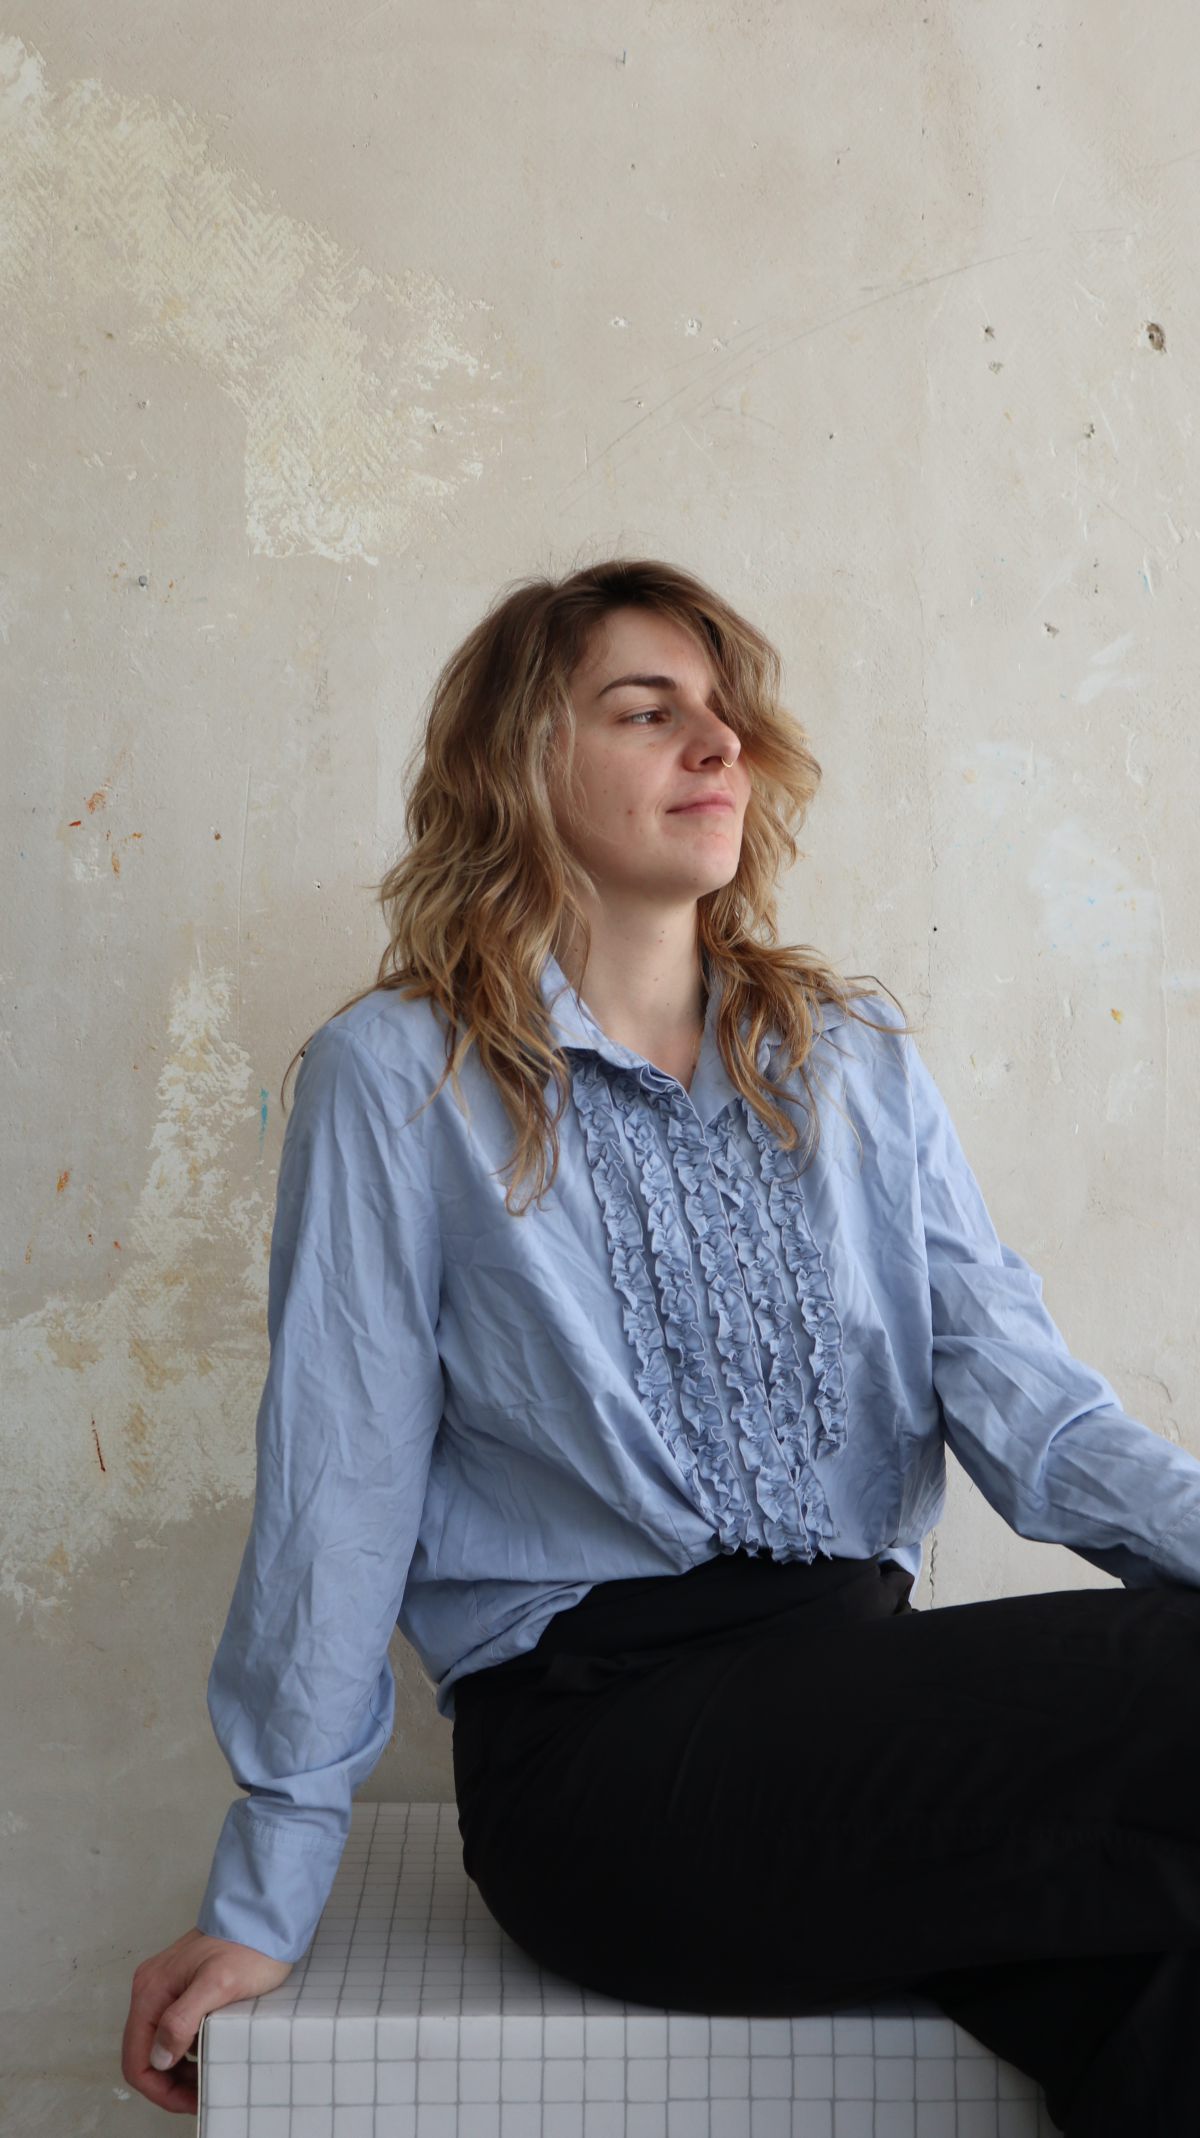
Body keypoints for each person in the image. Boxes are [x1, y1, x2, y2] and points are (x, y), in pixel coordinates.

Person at [122, 558, 1200, 2131]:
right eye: (647, 711)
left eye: (725, 712)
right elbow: (336, 1487)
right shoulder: (399, 1076)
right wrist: (265, 1891)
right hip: (611, 1763)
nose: (717, 745)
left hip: (853, 1704)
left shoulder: (853, 1062)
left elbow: (1041, 1420)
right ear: (522, 761)